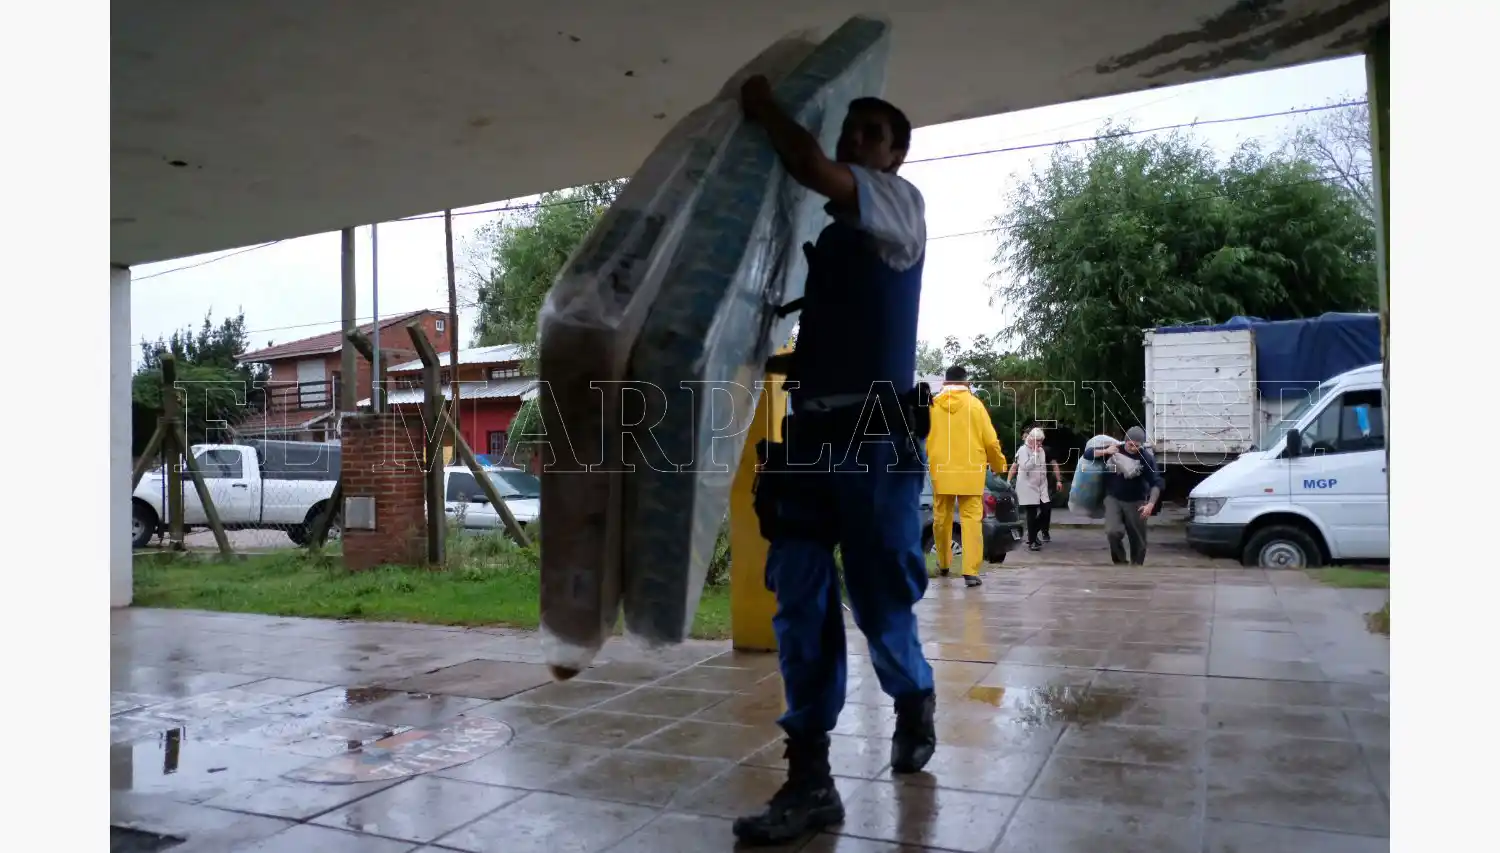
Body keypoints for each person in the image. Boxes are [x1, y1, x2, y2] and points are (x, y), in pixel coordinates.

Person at [733, 77, 935, 848]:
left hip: (878, 445)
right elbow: (833, 349)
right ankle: (810, 779)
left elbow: (811, 165)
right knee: (802, 601)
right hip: (810, 443)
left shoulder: (900, 207)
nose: (854, 141)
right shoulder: (831, 248)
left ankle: (914, 696)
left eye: (871, 133)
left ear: (896, 154)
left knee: (883, 599)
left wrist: (762, 108)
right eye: (850, 129)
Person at [928, 365, 1008, 586]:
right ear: (966, 383)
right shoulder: (975, 406)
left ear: (945, 383)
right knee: (971, 520)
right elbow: (991, 441)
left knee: (941, 519)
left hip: (941, 471)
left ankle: (943, 563)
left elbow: (921, 436)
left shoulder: (932, 406)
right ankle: (970, 572)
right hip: (970, 473)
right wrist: (999, 464)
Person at [1082, 425, 1163, 565]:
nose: (1133, 448)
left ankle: (1137, 566)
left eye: (1137, 446)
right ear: (1125, 441)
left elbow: (1157, 482)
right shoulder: (1114, 449)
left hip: (1136, 500)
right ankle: (1120, 563)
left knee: (1137, 538)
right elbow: (1087, 454)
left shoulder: (1145, 458)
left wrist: (1150, 504)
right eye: (1130, 444)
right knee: (1112, 532)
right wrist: (1105, 451)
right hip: (1113, 498)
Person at [1010, 427, 1064, 551]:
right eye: (1038, 441)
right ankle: (1032, 541)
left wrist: (1048, 482)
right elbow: (1025, 466)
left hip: (1041, 485)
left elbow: (1043, 468)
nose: (1040, 444)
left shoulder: (1041, 451)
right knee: (1032, 513)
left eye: (1041, 441)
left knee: (1046, 510)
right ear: (1031, 439)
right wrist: (1034, 454)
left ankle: (1032, 533)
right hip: (1027, 486)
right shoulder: (1023, 450)